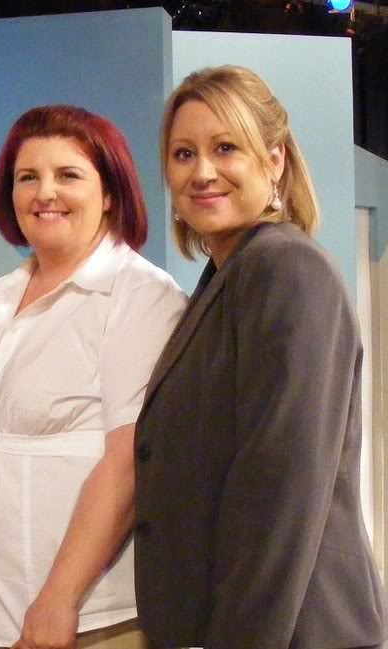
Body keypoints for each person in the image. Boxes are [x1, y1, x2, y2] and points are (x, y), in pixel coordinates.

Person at [134, 64, 387, 649]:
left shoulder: (286, 268)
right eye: (183, 153)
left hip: (293, 628)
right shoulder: (230, 275)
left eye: (226, 148)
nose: (202, 172)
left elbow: (282, 488)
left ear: (274, 161)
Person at [0, 105, 186, 649]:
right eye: (28, 177)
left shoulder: (141, 296)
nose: (45, 192)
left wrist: (58, 599)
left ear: (109, 192)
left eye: (68, 175)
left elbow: (129, 463)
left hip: (78, 619)